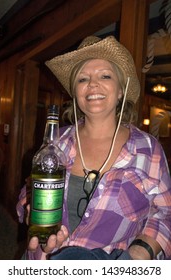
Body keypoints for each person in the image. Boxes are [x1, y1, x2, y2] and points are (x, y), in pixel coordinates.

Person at [16, 35, 171, 260]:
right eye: (82, 79)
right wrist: (32, 210)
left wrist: (139, 253)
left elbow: (166, 213)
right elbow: (29, 190)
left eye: (105, 76)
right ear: (75, 92)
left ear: (120, 91)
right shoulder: (55, 142)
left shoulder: (149, 149)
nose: (92, 84)